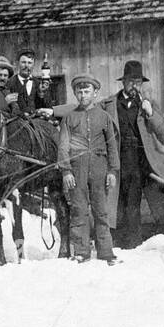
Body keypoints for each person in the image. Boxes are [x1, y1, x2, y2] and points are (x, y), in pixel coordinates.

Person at [101, 60, 164, 250]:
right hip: (118, 157)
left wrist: (150, 113)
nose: (135, 86)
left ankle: (135, 242)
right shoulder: (109, 104)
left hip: (143, 158)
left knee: (138, 199)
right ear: (123, 82)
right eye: (131, 81)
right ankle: (117, 240)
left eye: (138, 82)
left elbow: (161, 130)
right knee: (118, 200)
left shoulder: (148, 104)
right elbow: (87, 112)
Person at [57, 74, 119, 265]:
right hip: (77, 170)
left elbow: (112, 147)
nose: (83, 95)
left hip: (100, 168)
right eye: (79, 91)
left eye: (87, 91)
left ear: (95, 93)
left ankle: (106, 251)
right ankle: (81, 251)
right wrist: (66, 171)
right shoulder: (69, 118)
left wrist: (113, 171)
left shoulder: (104, 117)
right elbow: (63, 146)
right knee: (79, 210)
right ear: (75, 93)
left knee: (101, 210)